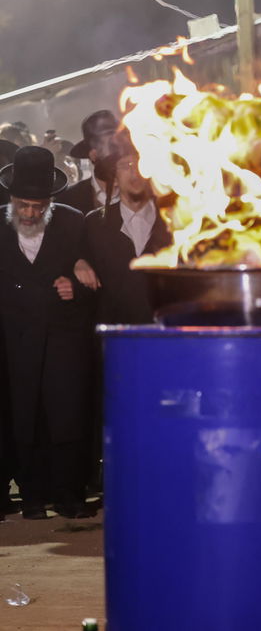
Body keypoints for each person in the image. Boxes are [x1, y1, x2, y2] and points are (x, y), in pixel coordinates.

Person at [0, 146, 95, 519]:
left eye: (39, 206)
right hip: (13, 339)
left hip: (62, 339)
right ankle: (33, 495)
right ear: (11, 199)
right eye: (24, 205)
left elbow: (93, 278)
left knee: (66, 415)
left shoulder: (74, 223)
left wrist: (75, 283)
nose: (30, 213)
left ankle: (69, 494)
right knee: (23, 417)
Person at [76, 131, 171, 326]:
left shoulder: (173, 220)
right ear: (115, 178)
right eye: (125, 166)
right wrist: (77, 262)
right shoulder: (95, 224)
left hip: (168, 335)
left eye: (139, 164)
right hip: (117, 339)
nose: (134, 172)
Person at [56, 111, 120, 215]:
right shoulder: (68, 200)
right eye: (113, 147)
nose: (121, 154)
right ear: (94, 155)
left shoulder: (143, 191)